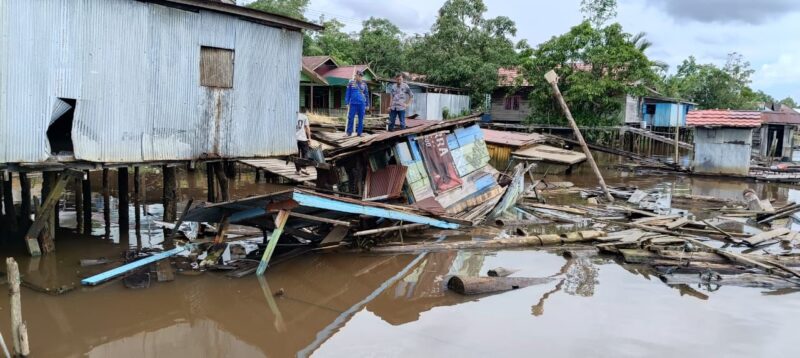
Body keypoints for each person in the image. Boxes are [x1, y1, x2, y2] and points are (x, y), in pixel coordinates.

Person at [345, 70, 370, 136]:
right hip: (353, 103)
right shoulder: (351, 83)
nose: (359, 77)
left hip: (362, 104)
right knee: (351, 117)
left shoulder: (364, 84)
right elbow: (348, 93)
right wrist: (347, 103)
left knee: (361, 118)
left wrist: (367, 104)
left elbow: (367, 94)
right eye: (358, 76)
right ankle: (349, 132)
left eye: (360, 76)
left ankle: (359, 133)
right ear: (356, 76)